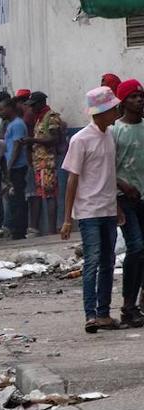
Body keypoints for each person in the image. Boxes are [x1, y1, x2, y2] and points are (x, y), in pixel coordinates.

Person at [61, 86, 123, 333]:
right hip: (88, 212)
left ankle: (104, 313)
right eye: (113, 108)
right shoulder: (80, 140)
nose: (116, 111)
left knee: (107, 262)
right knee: (93, 262)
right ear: (102, 112)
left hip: (108, 209)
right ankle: (91, 314)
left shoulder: (110, 135)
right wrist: (67, 218)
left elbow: (110, 175)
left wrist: (116, 206)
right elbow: (72, 180)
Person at [113, 79, 144, 327]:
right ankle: (128, 305)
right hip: (124, 200)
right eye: (133, 96)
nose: (139, 100)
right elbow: (106, 169)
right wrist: (122, 187)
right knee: (135, 247)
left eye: (140, 96)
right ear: (123, 102)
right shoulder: (116, 131)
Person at [22, 92, 64, 236]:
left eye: (33, 105)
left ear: (41, 103)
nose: (31, 109)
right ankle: (51, 230)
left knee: (50, 195)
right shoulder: (39, 118)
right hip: (40, 163)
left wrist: (32, 141)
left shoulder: (50, 118)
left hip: (48, 163)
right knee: (45, 195)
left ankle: (52, 230)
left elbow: (53, 139)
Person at [1, 97, 30, 239]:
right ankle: (15, 228)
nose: (0, 112)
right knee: (13, 199)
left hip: (17, 167)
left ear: (10, 108)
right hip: (13, 167)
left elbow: (17, 146)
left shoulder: (17, 124)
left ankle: (19, 230)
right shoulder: (11, 124)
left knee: (18, 199)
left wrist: (9, 166)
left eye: (2, 109)